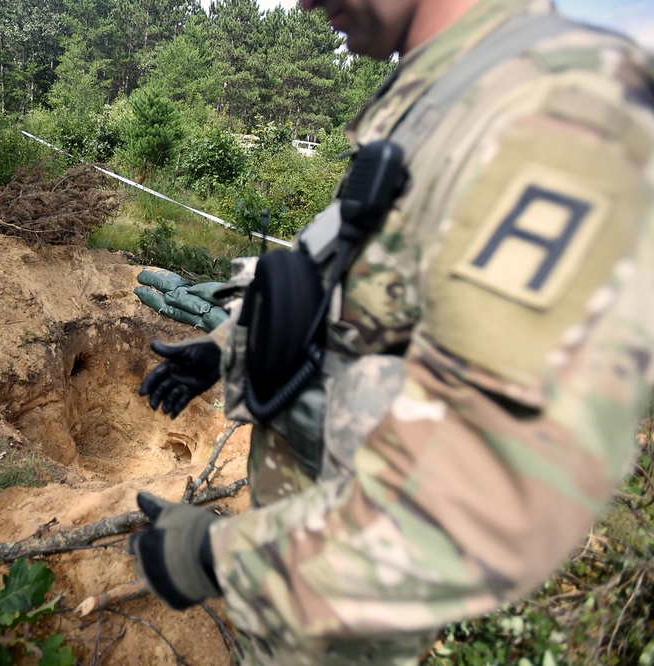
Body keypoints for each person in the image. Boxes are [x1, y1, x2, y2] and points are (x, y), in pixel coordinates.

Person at [128, 0, 654, 664]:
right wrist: (226, 349)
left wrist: (214, 556)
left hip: (346, 602)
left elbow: (483, 496)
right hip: (309, 572)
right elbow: (356, 294)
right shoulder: (441, 104)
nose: (304, 4)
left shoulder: (555, 111)